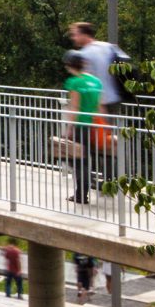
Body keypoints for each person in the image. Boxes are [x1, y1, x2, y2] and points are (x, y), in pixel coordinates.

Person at [63, 50, 102, 204]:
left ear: (69, 65)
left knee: (79, 161)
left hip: (80, 125)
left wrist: (69, 129)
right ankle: (88, 187)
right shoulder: (96, 81)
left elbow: (75, 106)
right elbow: (98, 106)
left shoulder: (75, 82)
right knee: (88, 159)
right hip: (93, 124)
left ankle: (81, 195)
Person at [67, 22, 129, 115]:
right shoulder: (108, 46)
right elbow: (126, 61)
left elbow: (84, 81)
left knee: (98, 128)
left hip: (98, 103)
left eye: (75, 35)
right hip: (114, 98)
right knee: (110, 128)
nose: (73, 38)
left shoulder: (84, 54)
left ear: (84, 35)